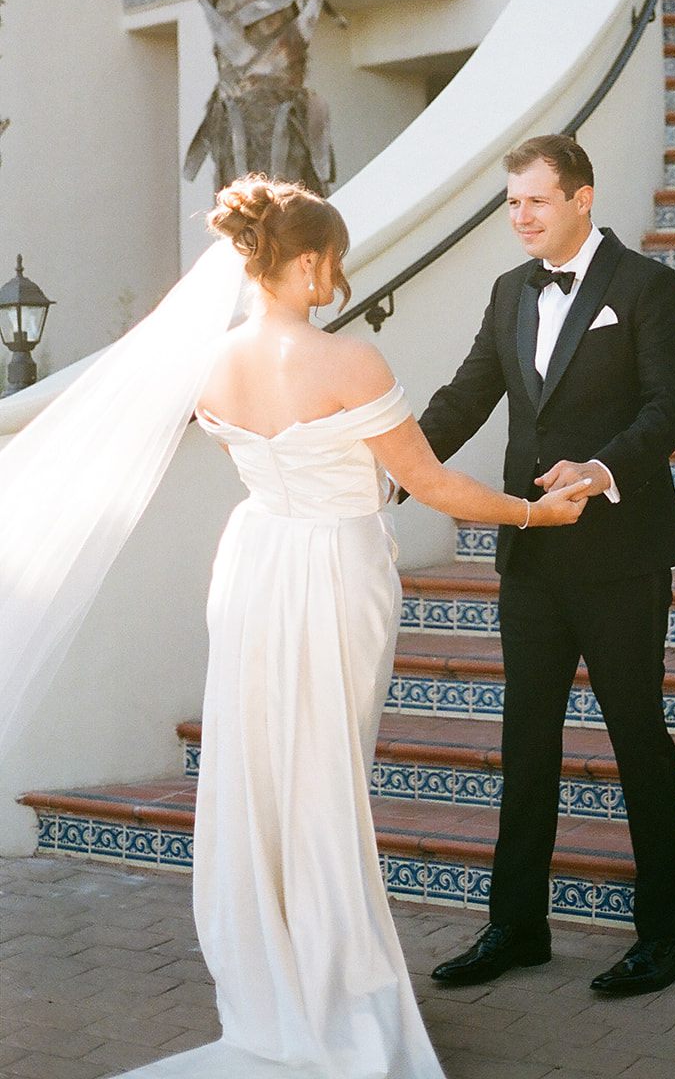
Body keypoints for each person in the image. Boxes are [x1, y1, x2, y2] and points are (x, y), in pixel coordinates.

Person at [129, 176, 589, 1079]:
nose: (337, 277)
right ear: (306, 261)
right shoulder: (350, 362)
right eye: (332, 260)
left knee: (263, 772)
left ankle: (278, 980)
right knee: (327, 773)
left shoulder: (213, 360)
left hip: (257, 560)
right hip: (334, 570)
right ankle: (335, 984)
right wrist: (537, 518)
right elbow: (435, 485)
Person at [416, 135, 675, 998]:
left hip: (620, 554)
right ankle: (517, 926)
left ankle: (667, 934)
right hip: (531, 556)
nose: (520, 217)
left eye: (534, 201)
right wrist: (400, 469)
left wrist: (603, 467)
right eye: (511, 203)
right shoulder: (510, 291)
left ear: (581, 196)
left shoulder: (646, 285)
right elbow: (468, 395)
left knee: (636, 740)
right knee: (526, 743)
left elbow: (673, 401)